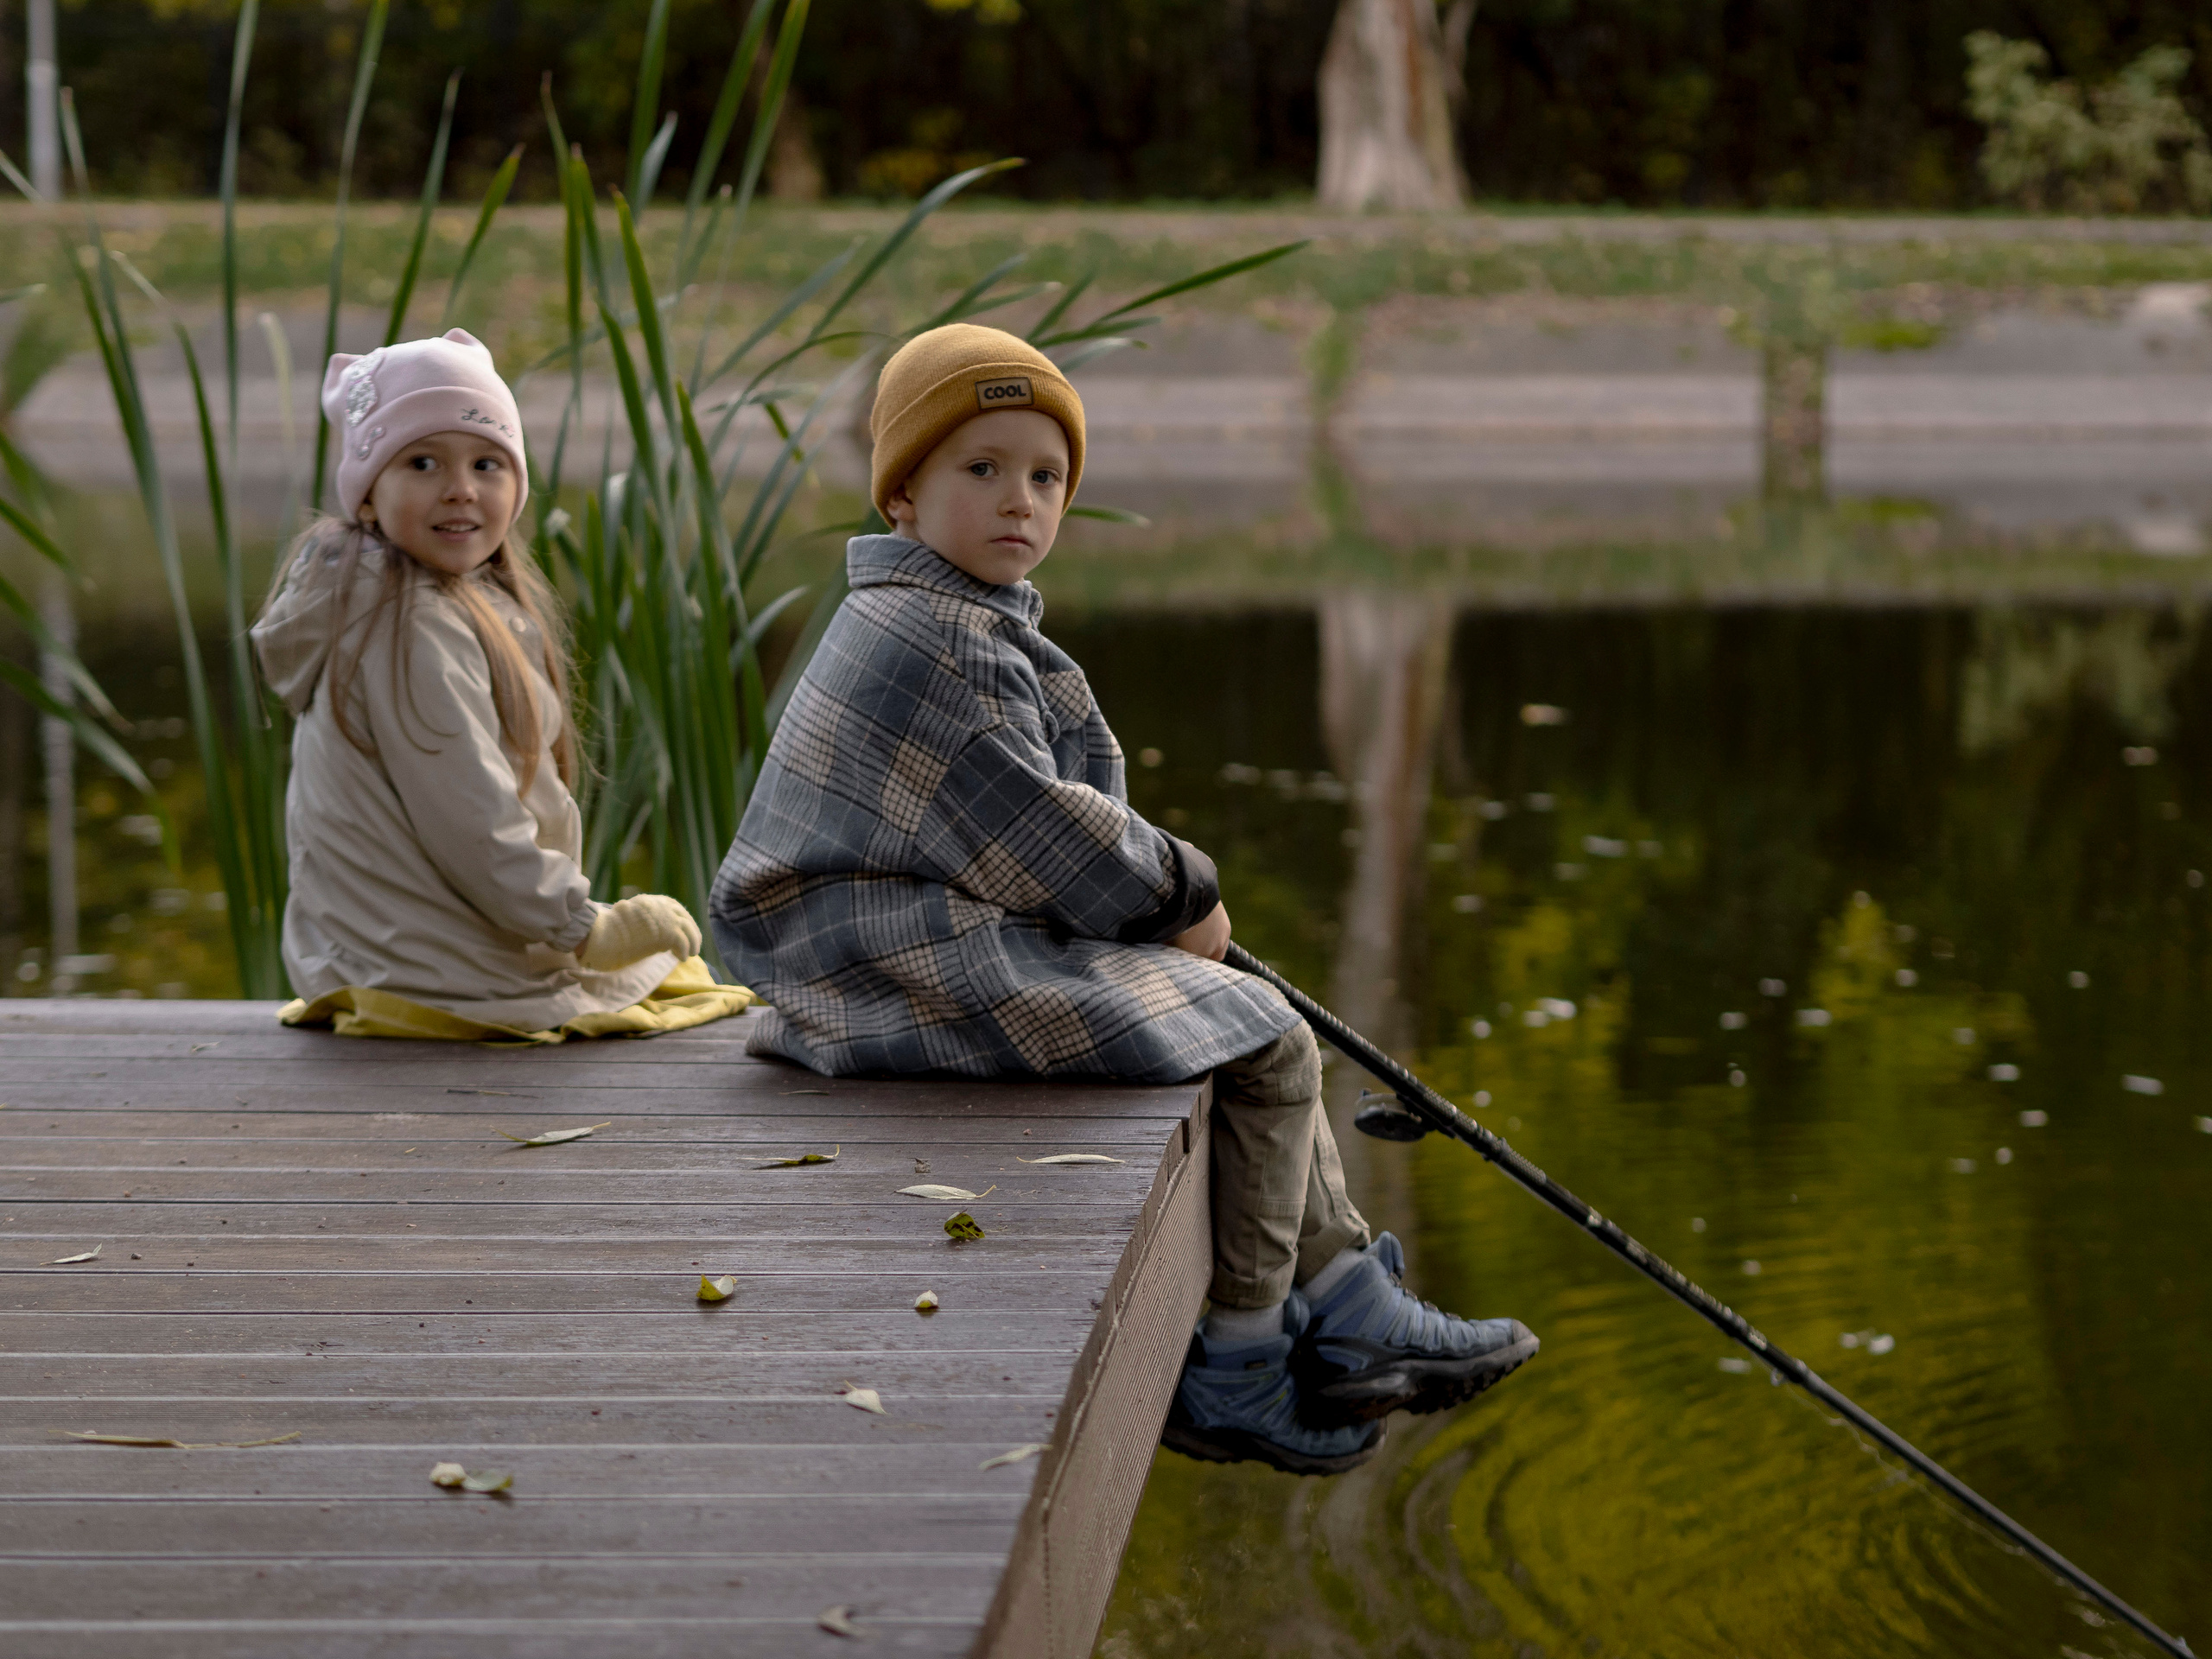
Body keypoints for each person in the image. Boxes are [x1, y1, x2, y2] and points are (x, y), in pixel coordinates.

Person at [709, 323, 1536, 1473]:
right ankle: (1241, 1360)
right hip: (883, 968)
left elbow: (1032, 824)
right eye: (981, 470)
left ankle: (1345, 1297)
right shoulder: (935, 639)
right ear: (901, 496)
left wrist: (1157, 912)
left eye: (1046, 478)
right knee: (1264, 1037)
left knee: (1249, 1019)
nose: (1021, 503)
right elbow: (1043, 828)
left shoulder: (936, 612)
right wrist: (1182, 897)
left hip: (890, 944)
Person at [253, 329, 749, 1043]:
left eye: (487, 462)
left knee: (673, 979)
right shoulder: (409, 625)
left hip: (362, 954)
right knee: (681, 984)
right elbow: (472, 819)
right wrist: (583, 926)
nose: (461, 488)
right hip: (427, 967)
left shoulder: (406, 601)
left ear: (515, 486)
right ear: (368, 497)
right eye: (422, 462)